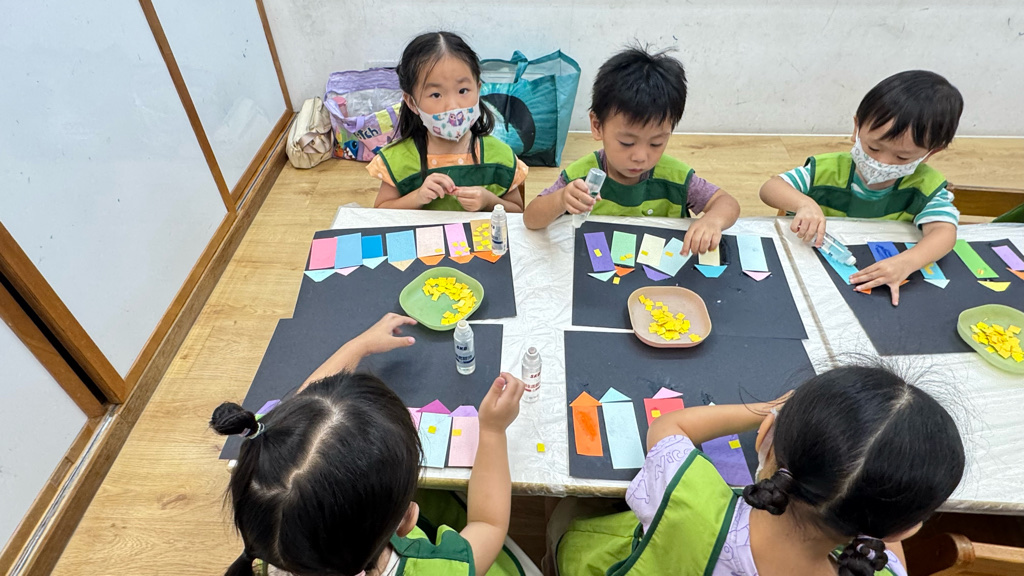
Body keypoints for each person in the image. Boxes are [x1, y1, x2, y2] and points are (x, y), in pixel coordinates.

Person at [554, 365, 965, 576]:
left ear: (767, 437)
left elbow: (668, 426)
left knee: (568, 511)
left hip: (596, 560)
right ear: (904, 529)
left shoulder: (690, 497)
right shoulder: (885, 568)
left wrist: (765, 410)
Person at [211, 313, 526, 576]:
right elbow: (488, 524)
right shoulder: (435, 569)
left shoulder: (278, 548)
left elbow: (303, 413)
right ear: (407, 518)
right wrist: (492, 431)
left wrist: (358, 346)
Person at [760, 70, 964, 305]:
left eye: (902, 157)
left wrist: (907, 262)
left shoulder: (925, 187)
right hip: (807, 272)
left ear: (930, 153)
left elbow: (943, 232)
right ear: (857, 128)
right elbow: (770, 188)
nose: (882, 162)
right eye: (873, 148)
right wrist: (804, 203)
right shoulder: (827, 170)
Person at [523, 46, 739, 255]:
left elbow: (726, 203)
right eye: (627, 143)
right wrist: (561, 199)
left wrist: (713, 220)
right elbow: (531, 219)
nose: (640, 157)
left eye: (656, 143)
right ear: (597, 126)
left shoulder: (676, 178)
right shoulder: (582, 178)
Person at [368, 32, 526, 213]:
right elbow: (381, 212)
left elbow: (517, 212)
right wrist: (417, 197)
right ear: (411, 102)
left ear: (478, 89)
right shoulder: (398, 160)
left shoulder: (500, 157)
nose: (453, 106)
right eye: (436, 94)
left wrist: (489, 201)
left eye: (463, 90)